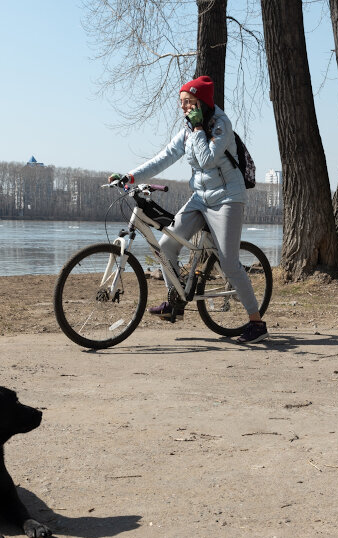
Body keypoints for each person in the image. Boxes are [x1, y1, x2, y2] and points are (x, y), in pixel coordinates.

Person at [109, 76, 268, 344]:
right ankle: (175, 302)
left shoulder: (220, 125)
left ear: (202, 102)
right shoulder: (187, 129)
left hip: (228, 198)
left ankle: (256, 322)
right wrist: (131, 176)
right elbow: (165, 157)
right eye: (181, 103)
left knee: (229, 263)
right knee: (166, 245)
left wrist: (197, 130)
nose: (183, 108)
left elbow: (208, 160)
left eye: (188, 102)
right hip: (200, 197)